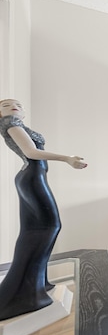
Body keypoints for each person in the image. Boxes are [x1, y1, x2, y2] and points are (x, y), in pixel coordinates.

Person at [0, 98, 87, 321]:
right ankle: (26, 291)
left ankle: (37, 283)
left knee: (32, 231)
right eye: (5, 104)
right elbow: (30, 152)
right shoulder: (11, 123)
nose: (13, 106)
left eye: (17, 104)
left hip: (29, 176)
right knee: (49, 226)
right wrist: (66, 158)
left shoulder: (16, 124)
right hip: (32, 176)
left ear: (24, 112)